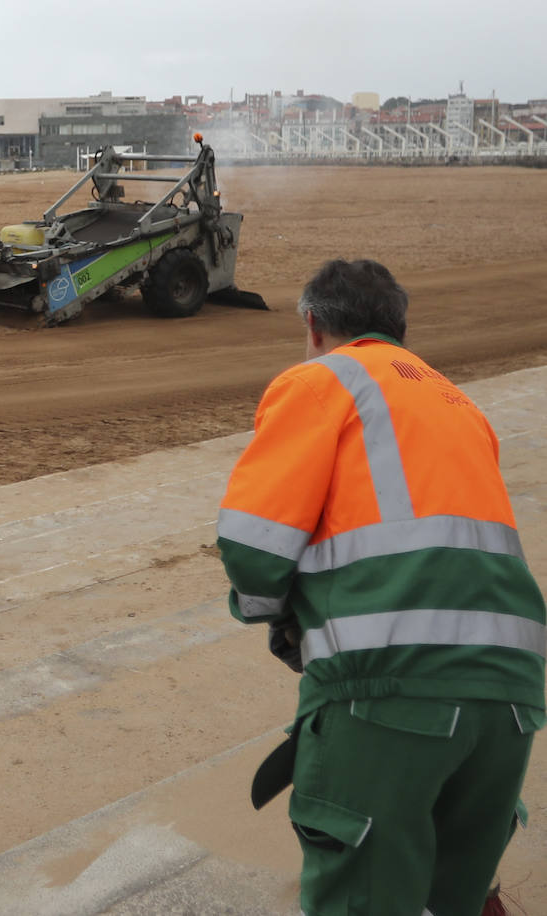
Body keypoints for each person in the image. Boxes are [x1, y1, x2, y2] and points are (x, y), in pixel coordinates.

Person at [216, 259, 545, 916]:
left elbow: (253, 550)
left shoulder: (318, 382)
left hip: (389, 692)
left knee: (362, 896)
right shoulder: (459, 402)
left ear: (313, 324)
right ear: (400, 328)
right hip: (511, 700)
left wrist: (277, 620)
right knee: (459, 895)